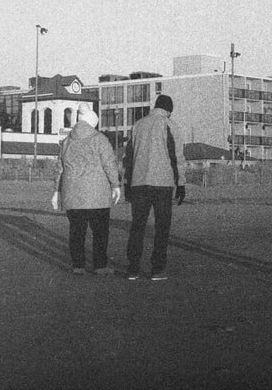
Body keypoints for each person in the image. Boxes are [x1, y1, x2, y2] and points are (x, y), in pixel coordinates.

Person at [51, 103, 121, 275]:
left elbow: (59, 169)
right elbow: (109, 164)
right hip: (97, 194)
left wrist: (57, 191)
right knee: (100, 233)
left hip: (72, 194)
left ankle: (78, 265)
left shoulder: (66, 141)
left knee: (76, 232)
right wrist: (115, 185)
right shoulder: (100, 139)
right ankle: (100, 266)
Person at [123, 94, 185, 281]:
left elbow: (129, 157)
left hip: (139, 182)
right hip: (162, 183)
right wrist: (181, 183)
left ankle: (133, 268)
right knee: (161, 228)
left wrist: (127, 183)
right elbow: (177, 158)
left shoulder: (138, 125)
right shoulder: (170, 125)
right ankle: (157, 269)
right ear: (169, 110)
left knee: (137, 226)